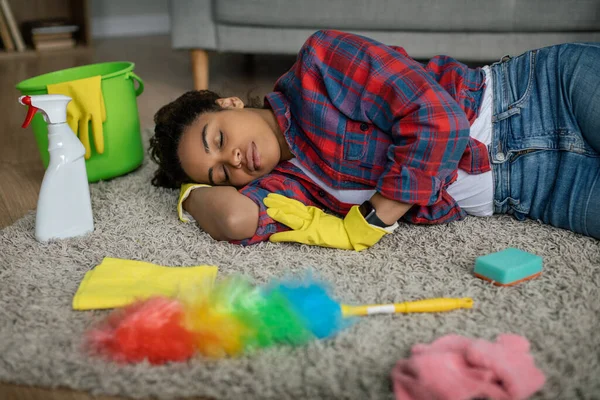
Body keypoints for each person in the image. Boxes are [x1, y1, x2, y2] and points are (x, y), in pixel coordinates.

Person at [149, 30, 600, 250]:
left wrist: (375, 217)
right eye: (221, 172)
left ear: (229, 103)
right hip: (539, 191)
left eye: (219, 138)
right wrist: (191, 193)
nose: (234, 160)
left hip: (543, 93)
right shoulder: (288, 187)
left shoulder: (321, 64)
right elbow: (233, 221)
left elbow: (439, 118)